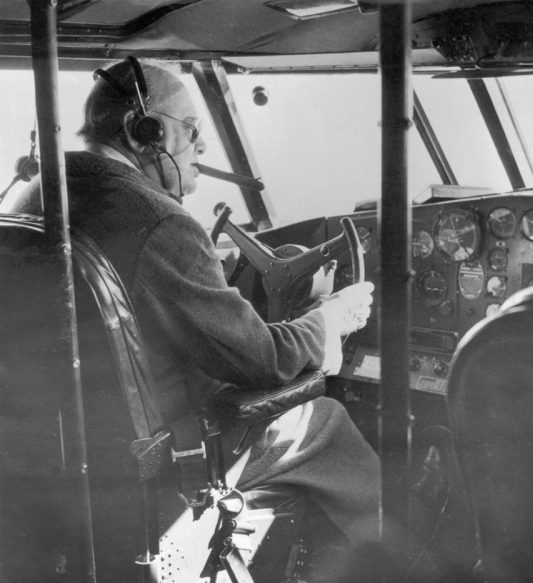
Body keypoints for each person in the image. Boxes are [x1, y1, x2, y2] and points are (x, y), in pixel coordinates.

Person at [12, 58, 380, 550]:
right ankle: (401, 578)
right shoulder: (160, 222)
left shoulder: (33, 197)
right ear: (140, 130)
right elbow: (261, 362)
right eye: (190, 130)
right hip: (162, 464)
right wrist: (326, 321)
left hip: (52, 465)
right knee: (325, 420)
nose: (202, 145)